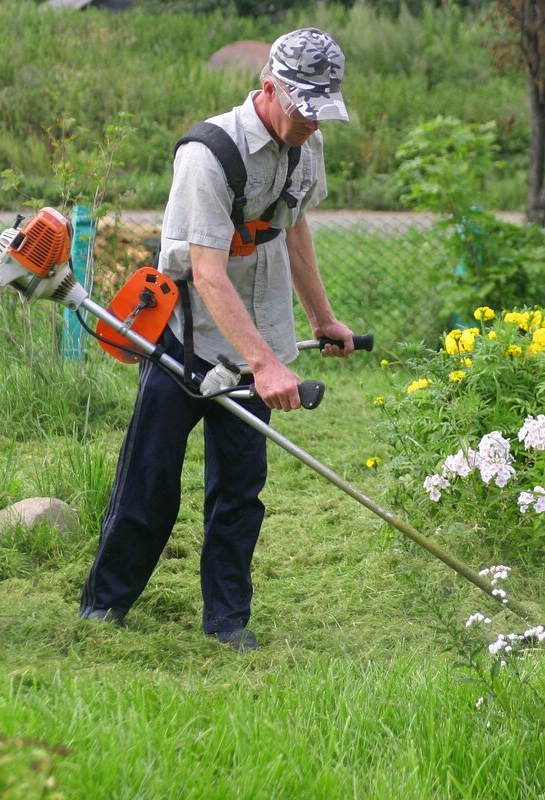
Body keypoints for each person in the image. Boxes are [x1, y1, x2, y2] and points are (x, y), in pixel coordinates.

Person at [80, 28, 355, 650]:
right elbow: (204, 271)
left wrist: (322, 318)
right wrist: (265, 365)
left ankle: (227, 621)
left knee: (239, 491)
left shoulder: (307, 147)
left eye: (322, 113)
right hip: (184, 339)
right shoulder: (208, 153)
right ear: (268, 90)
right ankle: (105, 607)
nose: (313, 125)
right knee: (150, 482)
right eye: (304, 111)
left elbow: (295, 229)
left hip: (254, 340)